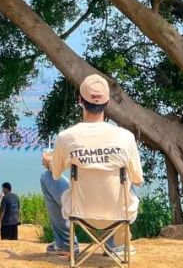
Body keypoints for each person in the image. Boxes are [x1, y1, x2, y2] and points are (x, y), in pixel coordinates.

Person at [40, 74, 144, 258]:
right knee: (129, 181)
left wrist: (49, 161)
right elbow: (137, 180)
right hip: (118, 213)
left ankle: (65, 244)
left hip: (79, 213)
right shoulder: (125, 137)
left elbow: (55, 174)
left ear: (80, 101)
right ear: (107, 102)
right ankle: (116, 245)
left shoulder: (67, 136)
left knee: (46, 177)